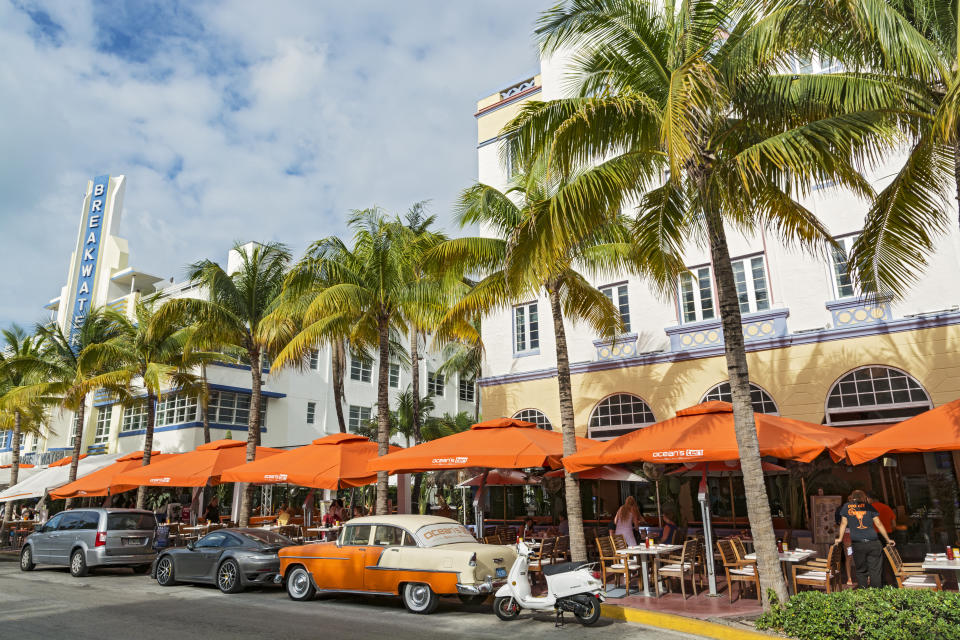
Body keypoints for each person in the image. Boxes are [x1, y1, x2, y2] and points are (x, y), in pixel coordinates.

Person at [835, 489, 895, 588]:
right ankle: (876, 595)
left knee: (861, 570)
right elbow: (878, 524)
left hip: (858, 544)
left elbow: (843, 524)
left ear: (852, 498)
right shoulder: (869, 507)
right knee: (875, 570)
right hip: (873, 543)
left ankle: (864, 595)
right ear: (865, 498)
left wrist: (840, 538)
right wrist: (888, 539)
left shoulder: (847, 507)